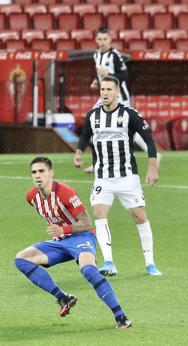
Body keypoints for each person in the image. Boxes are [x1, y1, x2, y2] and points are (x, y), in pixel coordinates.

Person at [14, 156, 132, 329]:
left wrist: (64, 230)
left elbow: (87, 224)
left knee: (89, 270)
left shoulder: (65, 192)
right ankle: (63, 297)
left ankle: (121, 317)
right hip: (60, 242)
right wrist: (60, 233)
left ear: (51, 173)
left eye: (41, 171)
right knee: (21, 259)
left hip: (81, 237)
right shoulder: (31, 197)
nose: (37, 175)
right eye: (34, 172)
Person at [74, 75, 162, 277]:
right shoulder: (93, 116)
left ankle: (150, 262)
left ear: (116, 92)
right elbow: (85, 135)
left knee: (139, 216)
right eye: (102, 89)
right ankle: (108, 262)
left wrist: (152, 167)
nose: (104, 93)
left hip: (127, 176)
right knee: (99, 214)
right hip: (103, 177)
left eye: (108, 90)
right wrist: (79, 153)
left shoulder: (129, 114)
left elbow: (149, 140)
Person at [83, 27, 154, 173]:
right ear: (96, 40)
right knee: (93, 124)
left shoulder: (115, 55)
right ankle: (99, 162)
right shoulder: (96, 55)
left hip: (120, 97)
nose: (102, 42)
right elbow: (101, 75)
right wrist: (96, 81)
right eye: (100, 39)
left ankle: (151, 152)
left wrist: (109, 73)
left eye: (105, 39)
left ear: (110, 40)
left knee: (127, 128)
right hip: (105, 97)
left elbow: (123, 76)